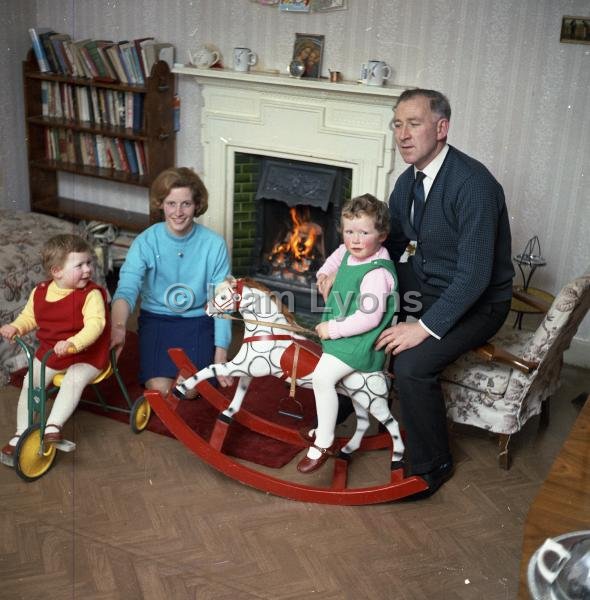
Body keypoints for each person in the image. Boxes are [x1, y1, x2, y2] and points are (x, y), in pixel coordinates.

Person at [376, 88, 514, 496]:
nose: (402, 134)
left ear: (441, 128)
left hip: (480, 300)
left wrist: (423, 328)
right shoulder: (407, 182)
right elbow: (392, 244)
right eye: (397, 124)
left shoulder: (473, 185)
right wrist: (348, 271)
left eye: (413, 124)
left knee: (412, 365)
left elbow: (474, 277)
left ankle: (432, 464)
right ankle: (344, 409)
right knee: (360, 310)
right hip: (431, 282)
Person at [297, 194, 397, 474]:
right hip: (345, 338)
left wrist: (333, 329)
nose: (354, 239)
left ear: (382, 235)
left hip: (362, 343)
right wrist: (323, 278)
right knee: (320, 372)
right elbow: (330, 264)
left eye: (364, 233)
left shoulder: (377, 272)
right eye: (349, 231)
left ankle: (324, 440)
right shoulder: (348, 251)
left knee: (321, 377)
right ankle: (324, 426)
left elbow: (369, 317)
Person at [110, 167, 232, 397]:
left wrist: (221, 353)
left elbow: (222, 299)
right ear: (161, 204)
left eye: (185, 203)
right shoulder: (145, 242)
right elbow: (127, 289)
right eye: (171, 204)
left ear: (197, 205)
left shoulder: (214, 244)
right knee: (159, 388)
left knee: (190, 390)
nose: (178, 212)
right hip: (157, 320)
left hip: (197, 320)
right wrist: (118, 328)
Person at [1, 234, 110, 459]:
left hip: (87, 354)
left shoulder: (91, 295)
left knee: (73, 379)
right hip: (53, 351)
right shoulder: (40, 291)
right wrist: (16, 327)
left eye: (88, 263)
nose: (88, 270)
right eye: (79, 265)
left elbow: (95, 325)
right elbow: (29, 316)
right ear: (56, 271)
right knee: (31, 383)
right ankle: (22, 432)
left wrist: (73, 343)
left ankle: (53, 425)